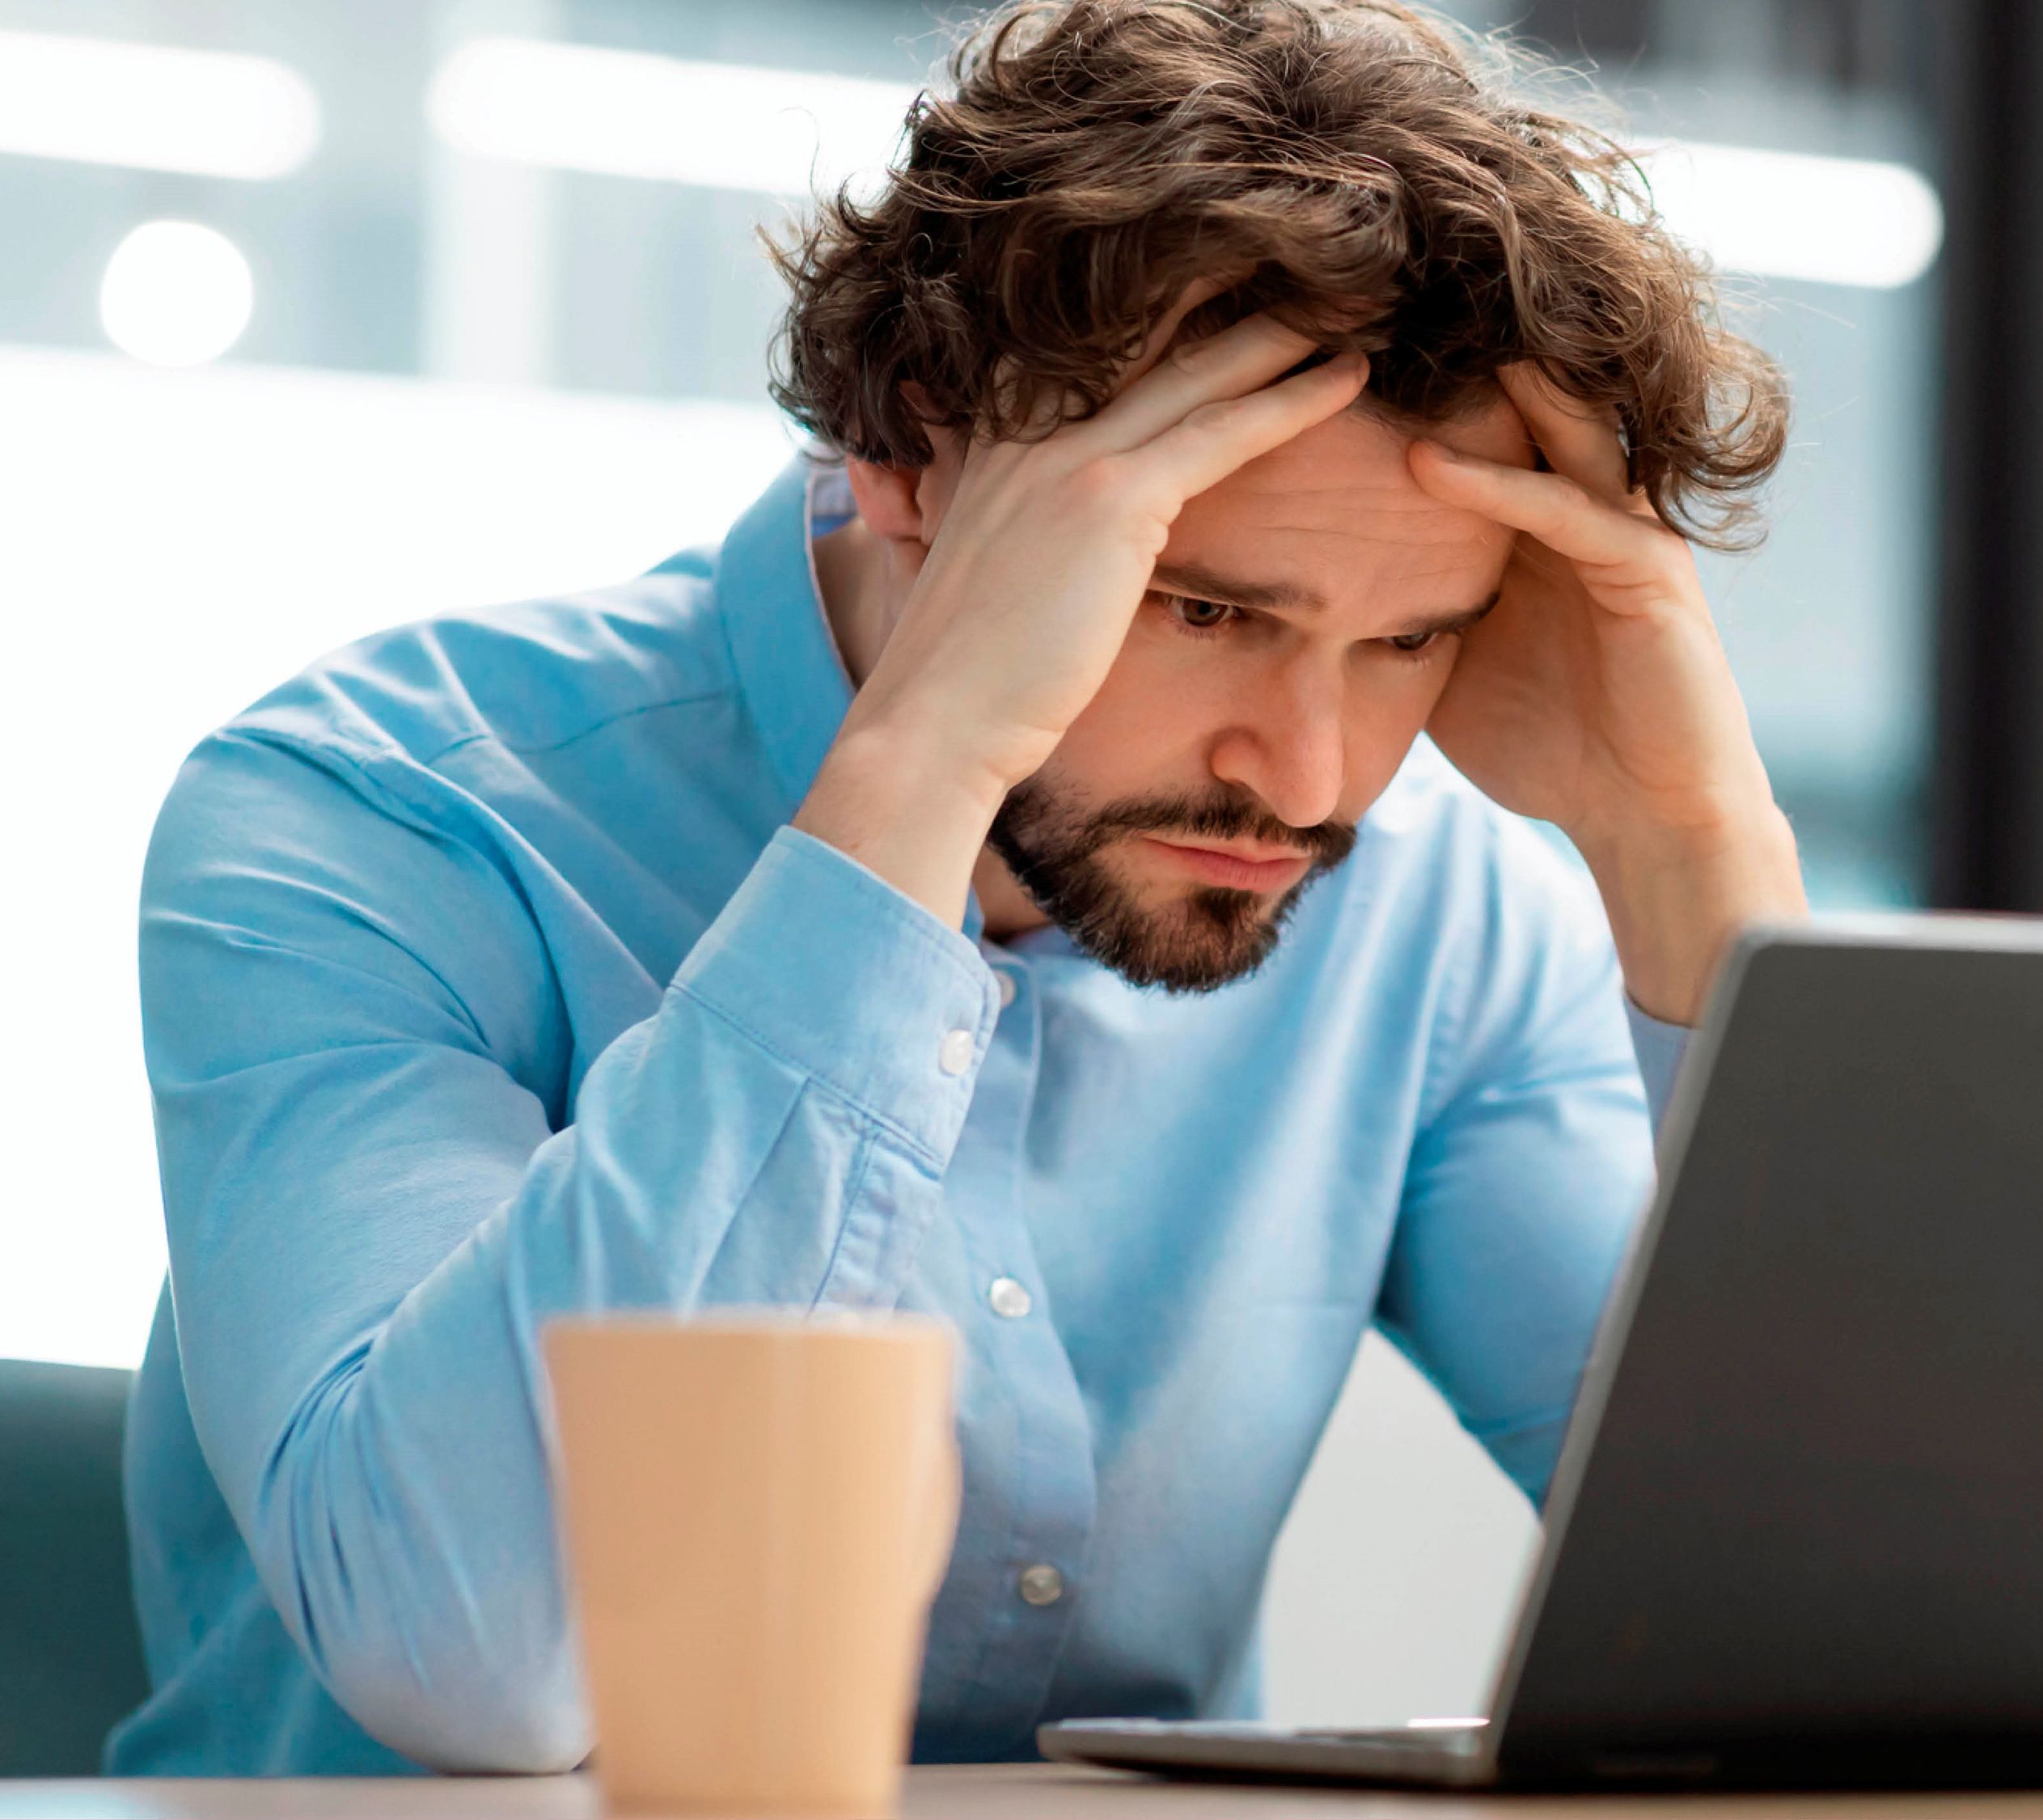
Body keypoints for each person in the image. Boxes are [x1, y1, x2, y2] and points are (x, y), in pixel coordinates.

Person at [111, 0, 1807, 1776]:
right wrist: (920, 776)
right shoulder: (376, 819)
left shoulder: (1445, 920)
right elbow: (483, 1659)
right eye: (1208, 610)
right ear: (911, 464)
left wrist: (1691, 856)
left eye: (1406, 640)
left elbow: (1832, 1622)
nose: (1303, 780)